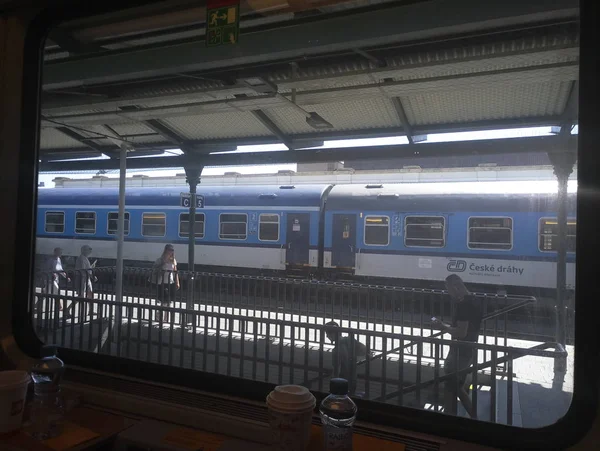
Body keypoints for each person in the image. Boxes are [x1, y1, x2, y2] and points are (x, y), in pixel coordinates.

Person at [432, 274, 482, 418]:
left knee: (452, 386)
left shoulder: (463, 305)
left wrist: (442, 326)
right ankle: (468, 416)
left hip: (460, 351)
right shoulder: (475, 300)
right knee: (455, 386)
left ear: (455, 287)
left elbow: (461, 332)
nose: (449, 293)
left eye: (449, 289)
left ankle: (468, 417)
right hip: (470, 348)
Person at [325, 321, 367, 396]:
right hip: (353, 379)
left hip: (341, 382)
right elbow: (364, 350)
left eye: (327, 333)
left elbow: (337, 369)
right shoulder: (350, 340)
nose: (326, 336)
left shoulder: (336, 350)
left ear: (333, 334)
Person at [151, 244, 180, 322]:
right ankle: (158, 319)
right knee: (161, 301)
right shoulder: (160, 260)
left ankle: (166, 320)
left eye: (172, 250)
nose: (171, 251)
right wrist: (163, 263)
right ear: (166, 250)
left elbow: (175, 272)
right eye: (170, 250)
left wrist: (177, 282)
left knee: (168, 302)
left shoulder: (173, 260)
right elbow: (154, 269)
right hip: (161, 282)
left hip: (169, 282)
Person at [44, 247, 70, 312]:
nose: (61, 253)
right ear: (55, 252)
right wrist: (52, 273)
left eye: (61, 252)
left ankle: (36, 305)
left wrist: (66, 276)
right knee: (57, 291)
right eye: (59, 252)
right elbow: (46, 269)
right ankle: (60, 307)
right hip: (49, 279)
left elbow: (60, 269)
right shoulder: (50, 260)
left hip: (54, 279)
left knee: (46, 292)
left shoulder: (58, 259)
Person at [75, 245, 96, 317]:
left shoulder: (85, 258)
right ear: (83, 250)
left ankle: (90, 310)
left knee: (90, 294)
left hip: (87, 279)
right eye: (88, 250)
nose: (90, 252)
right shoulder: (81, 259)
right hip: (83, 278)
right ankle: (67, 310)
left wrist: (91, 268)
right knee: (81, 296)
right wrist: (92, 276)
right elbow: (84, 270)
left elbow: (86, 269)